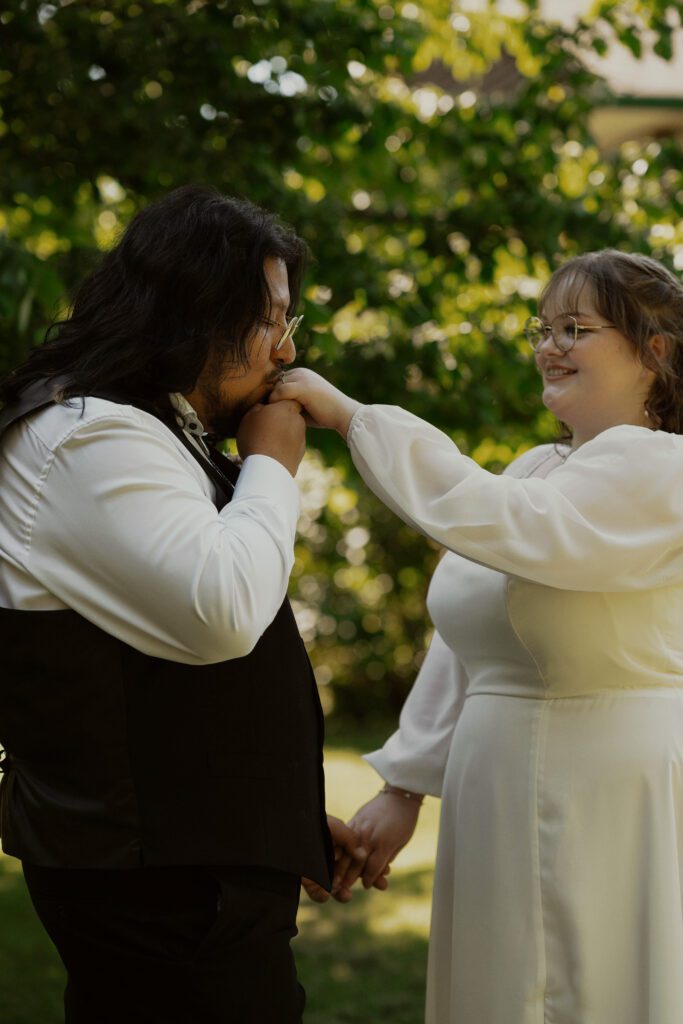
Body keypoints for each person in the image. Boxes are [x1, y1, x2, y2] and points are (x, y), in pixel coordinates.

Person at [269, 248, 683, 1024]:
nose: (549, 345)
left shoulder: (663, 469)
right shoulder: (532, 471)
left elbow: (513, 528)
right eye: (542, 327)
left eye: (575, 328)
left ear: (652, 352)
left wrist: (357, 419)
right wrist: (403, 787)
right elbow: (466, 636)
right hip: (492, 780)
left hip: (605, 784)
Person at [0, 184, 366, 1024]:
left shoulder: (141, 429)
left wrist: (278, 814)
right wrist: (271, 465)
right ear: (196, 312)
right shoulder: (88, 435)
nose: (284, 352)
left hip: (184, 870)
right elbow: (220, 611)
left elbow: (159, 680)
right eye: (269, 319)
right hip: (155, 892)